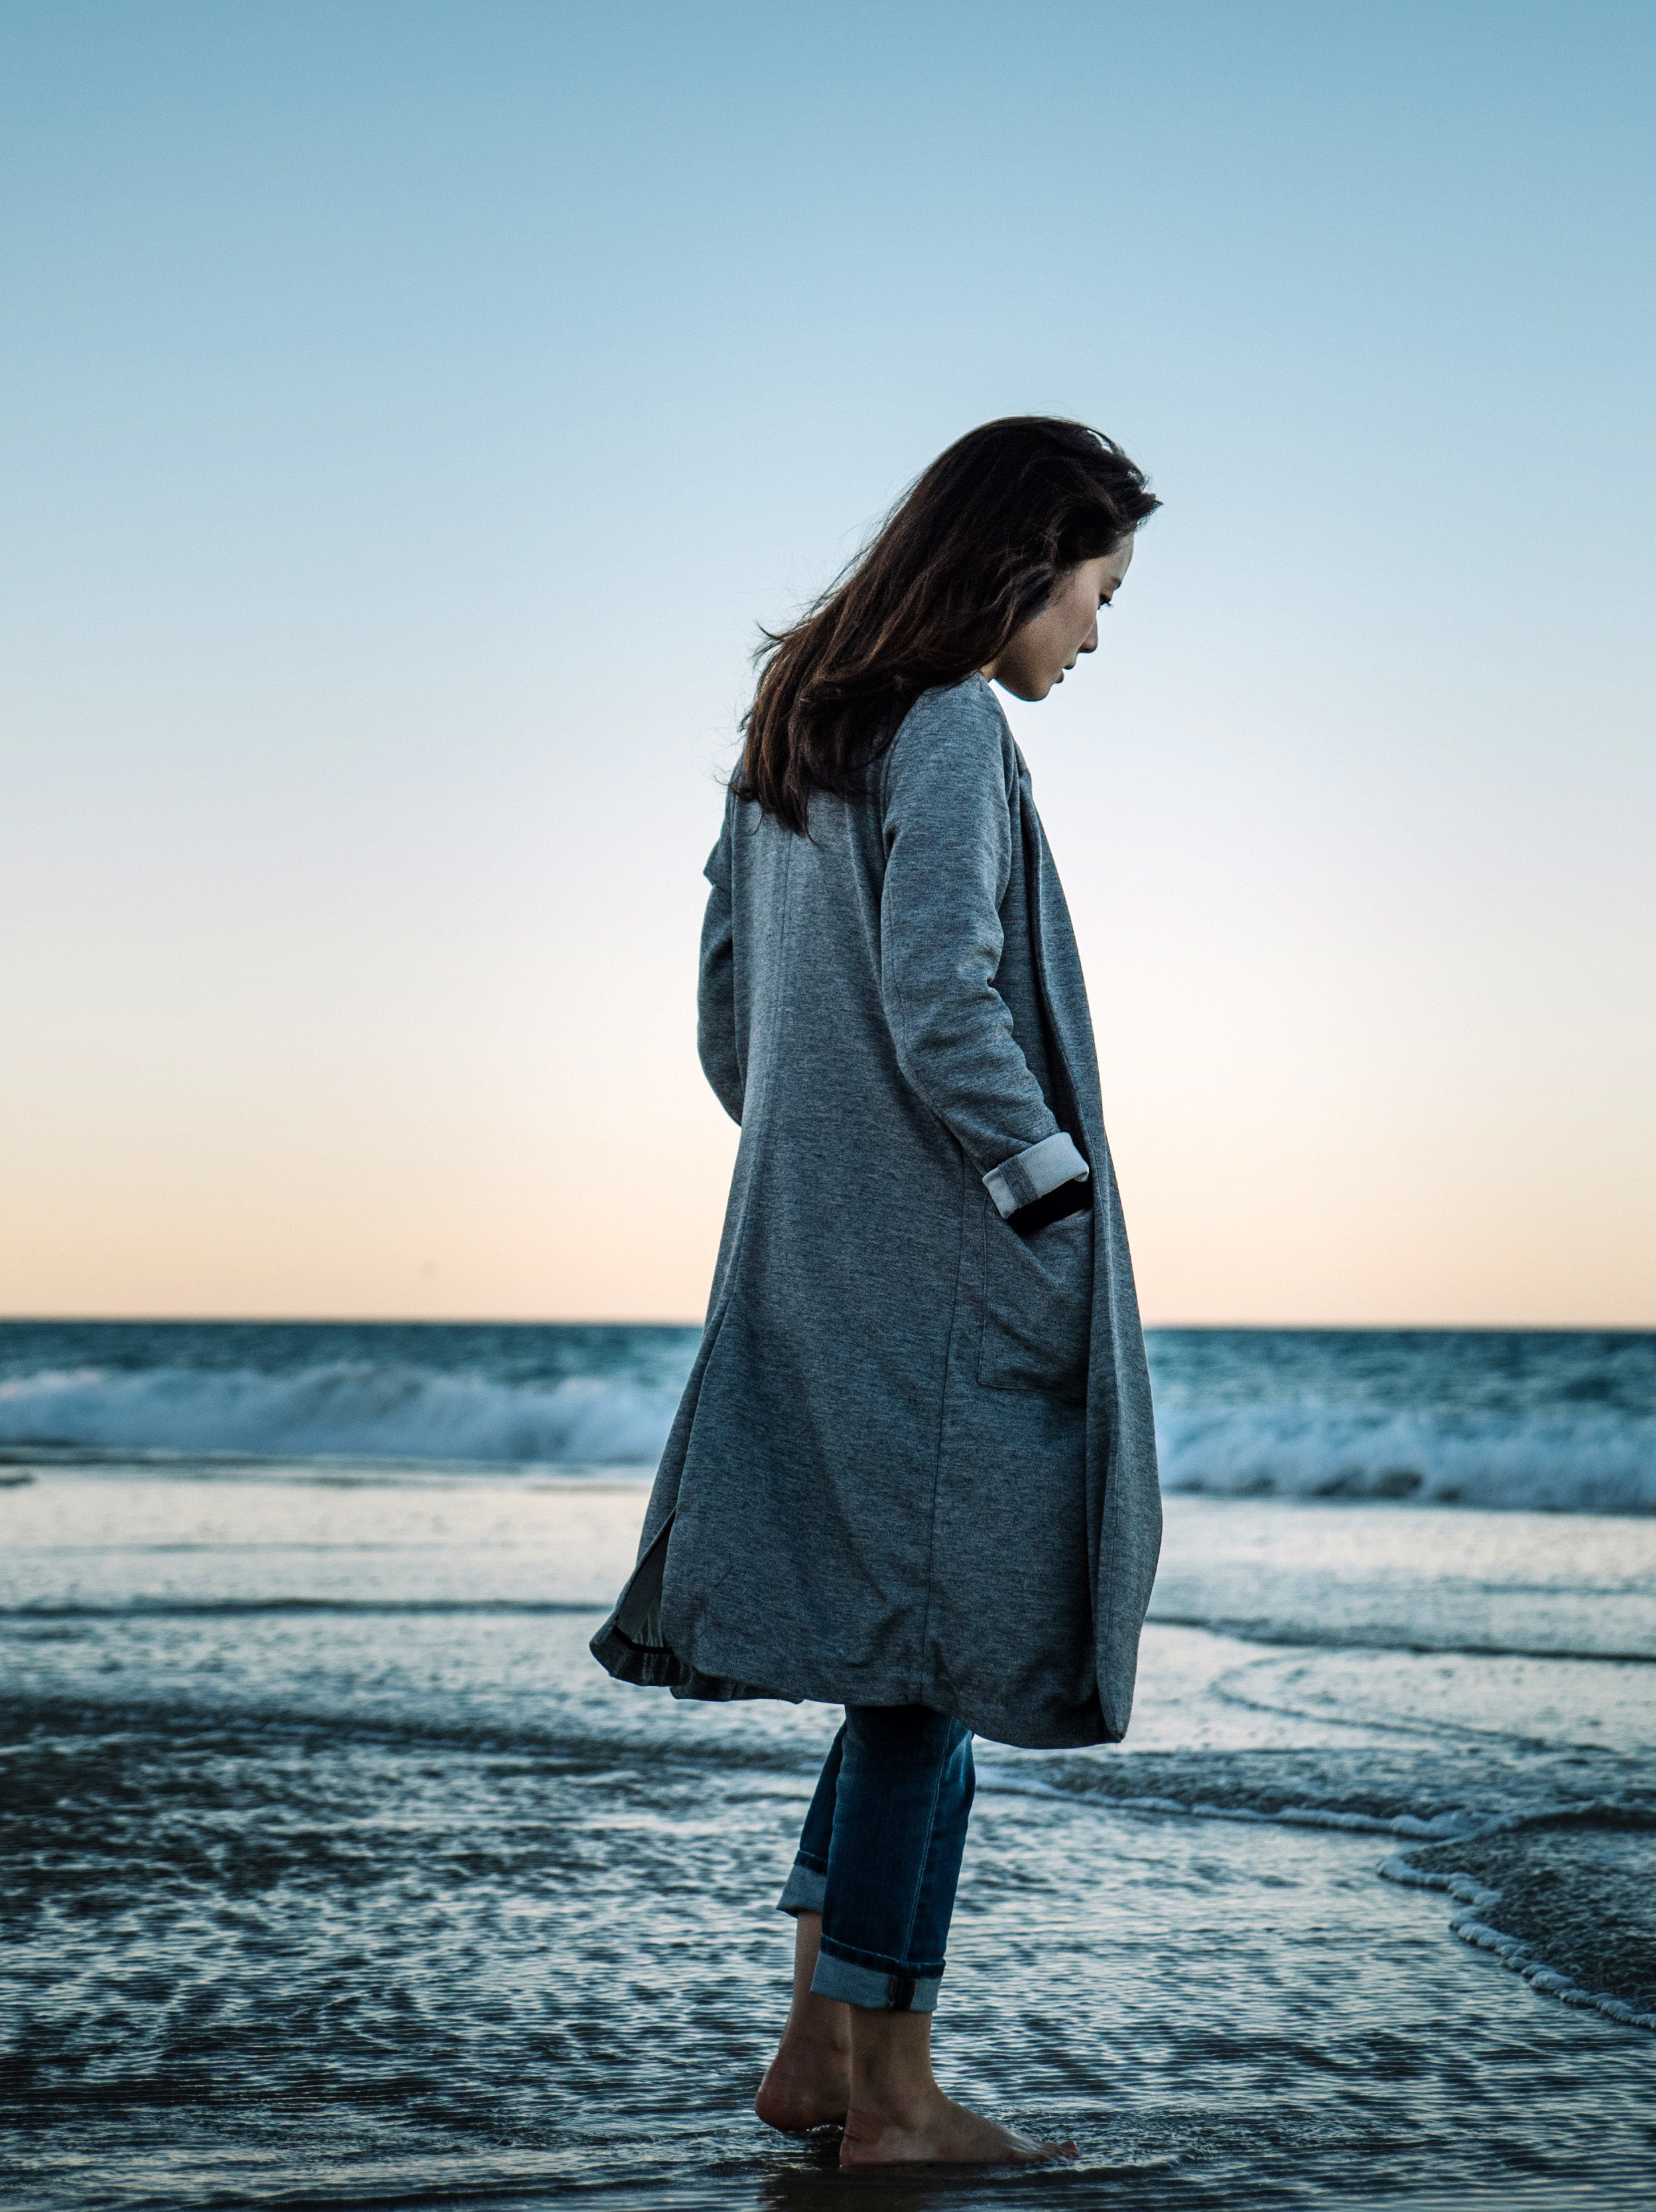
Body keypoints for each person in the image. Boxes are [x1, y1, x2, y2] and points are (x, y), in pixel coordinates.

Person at [590, 418, 1165, 2166]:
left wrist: (820, 1157)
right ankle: (894, 2098)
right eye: (1096, 588)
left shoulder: (789, 741)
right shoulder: (951, 726)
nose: (1095, 629)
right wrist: (1038, 1189)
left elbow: (724, 1020)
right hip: (945, 1271)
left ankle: (812, 2057)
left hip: (804, 1257)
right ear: (1017, 563)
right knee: (935, 1664)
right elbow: (941, 995)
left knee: (894, 1670)